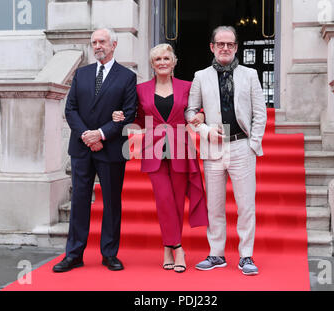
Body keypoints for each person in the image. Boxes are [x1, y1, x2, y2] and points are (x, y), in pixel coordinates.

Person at [112, 43, 208, 273]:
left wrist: (201, 115)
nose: (163, 63)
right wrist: (122, 116)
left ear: (174, 62)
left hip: (181, 147)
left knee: (176, 202)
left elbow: (199, 109)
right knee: (163, 199)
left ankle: (168, 248)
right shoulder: (141, 89)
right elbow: (138, 117)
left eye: (166, 58)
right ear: (152, 65)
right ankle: (178, 247)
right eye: (158, 60)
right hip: (153, 149)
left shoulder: (187, 87)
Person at [52, 28, 137, 273]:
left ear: (114, 45)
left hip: (110, 148)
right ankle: (74, 254)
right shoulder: (81, 74)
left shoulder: (126, 77)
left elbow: (128, 113)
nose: (97, 45)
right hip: (81, 148)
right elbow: (71, 110)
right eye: (94, 42)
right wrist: (87, 136)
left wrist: (100, 134)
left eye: (102, 41)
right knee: (79, 201)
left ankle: (109, 254)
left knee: (111, 202)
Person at [185, 26, 267, 275]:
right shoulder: (200, 76)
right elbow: (190, 112)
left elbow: (259, 114)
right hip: (213, 148)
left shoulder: (250, 75)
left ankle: (246, 256)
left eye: (230, 44)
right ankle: (216, 254)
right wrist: (205, 131)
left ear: (236, 47)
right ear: (212, 47)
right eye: (220, 44)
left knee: (245, 205)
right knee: (215, 205)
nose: (225, 48)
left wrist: (253, 144)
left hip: (242, 145)